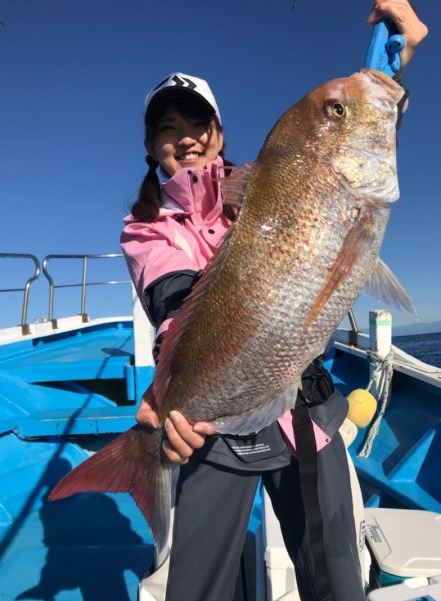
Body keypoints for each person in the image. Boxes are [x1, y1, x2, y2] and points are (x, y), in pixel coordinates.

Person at [121, 3, 427, 600]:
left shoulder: (275, 173)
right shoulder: (146, 225)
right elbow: (175, 300)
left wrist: (394, 58)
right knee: (200, 588)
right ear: (151, 145)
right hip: (213, 425)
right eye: (166, 127)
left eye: (196, 121)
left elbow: (347, 137)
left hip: (305, 410)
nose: (184, 137)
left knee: (339, 579)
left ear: (220, 133)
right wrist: (169, 399)